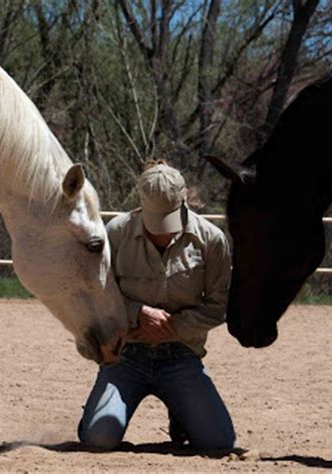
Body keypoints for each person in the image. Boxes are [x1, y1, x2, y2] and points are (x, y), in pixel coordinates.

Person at [78, 160, 235, 451]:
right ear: (140, 205)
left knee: (219, 443)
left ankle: (182, 413)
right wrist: (138, 314)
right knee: (98, 439)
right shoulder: (116, 233)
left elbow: (219, 306)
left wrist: (170, 328)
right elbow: (99, 295)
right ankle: (97, 412)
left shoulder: (212, 240)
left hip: (181, 356)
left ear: (184, 201)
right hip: (126, 356)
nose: (162, 231)